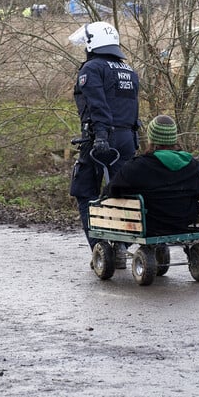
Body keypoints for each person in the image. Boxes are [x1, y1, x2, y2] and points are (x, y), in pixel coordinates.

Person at [68, 21, 140, 268]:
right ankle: (121, 246)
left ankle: (101, 248)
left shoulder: (92, 68)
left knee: (83, 190)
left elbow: (98, 106)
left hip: (102, 139)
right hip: (127, 139)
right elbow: (131, 107)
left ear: (92, 43)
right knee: (120, 194)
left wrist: (99, 136)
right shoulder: (127, 69)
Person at [103, 115, 199, 236]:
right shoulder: (193, 166)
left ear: (151, 138)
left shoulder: (138, 167)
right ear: (173, 138)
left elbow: (113, 189)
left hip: (151, 224)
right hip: (184, 222)